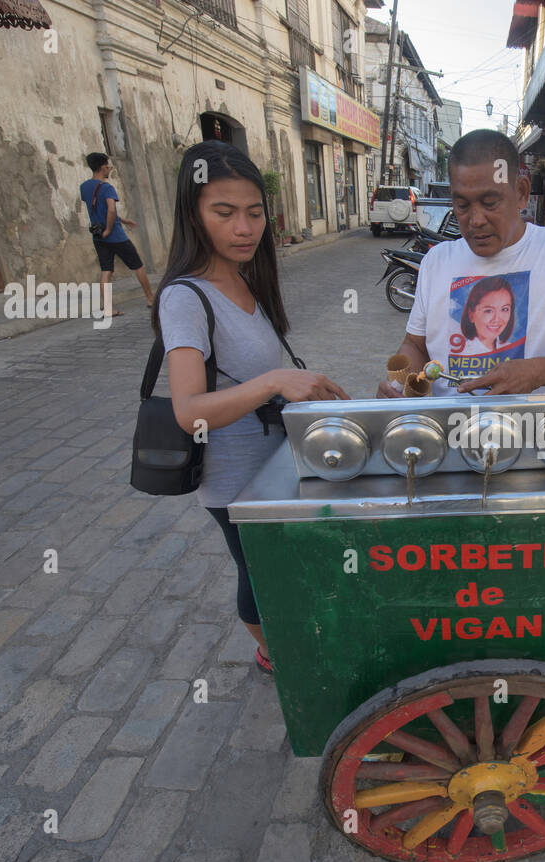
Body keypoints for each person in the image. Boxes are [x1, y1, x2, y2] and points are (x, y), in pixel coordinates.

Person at [155, 140, 348, 674]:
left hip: (274, 466)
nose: (244, 228)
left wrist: (304, 390)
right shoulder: (184, 298)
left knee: (281, 568)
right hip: (233, 478)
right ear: (193, 215)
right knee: (258, 574)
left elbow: (258, 373)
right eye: (224, 213)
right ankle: (274, 653)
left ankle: (292, 633)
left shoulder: (244, 280)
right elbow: (188, 410)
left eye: (255, 213)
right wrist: (274, 382)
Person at [376, 129, 545, 398]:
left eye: (490, 203)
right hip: (450, 432)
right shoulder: (436, 261)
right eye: (462, 205)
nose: (475, 219)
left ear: (522, 193)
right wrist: (400, 383)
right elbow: (416, 346)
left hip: (532, 435)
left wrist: (536, 372)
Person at [81, 152, 154, 314]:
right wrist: (109, 229)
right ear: (102, 167)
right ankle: (150, 298)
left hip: (98, 236)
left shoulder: (84, 187)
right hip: (115, 236)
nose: (109, 170)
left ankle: (108, 308)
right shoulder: (107, 187)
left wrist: (124, 220)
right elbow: (111, 210)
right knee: (138, 265)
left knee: (106, 270)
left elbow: (99, 210)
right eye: (108, 167)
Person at [459, 276, 515, 355]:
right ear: (471, 315)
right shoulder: (463, 354)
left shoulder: (511, 349)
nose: (497, 319)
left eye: (504, 309)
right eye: (488, 311)